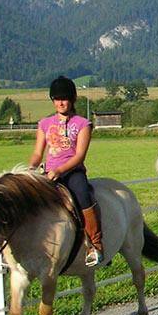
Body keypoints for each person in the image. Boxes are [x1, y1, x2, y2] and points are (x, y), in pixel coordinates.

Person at [28, 76, 103, 267]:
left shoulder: (83, 124)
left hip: (72, 172)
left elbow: (79, 156)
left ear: (73, 99)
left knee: (83, 195)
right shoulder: (44, 124)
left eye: (65, 98)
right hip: (48, 173)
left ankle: (95, 245)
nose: (61, 103)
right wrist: (30, 169)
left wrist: (60, 170)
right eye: (57, 99)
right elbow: (37, 153)